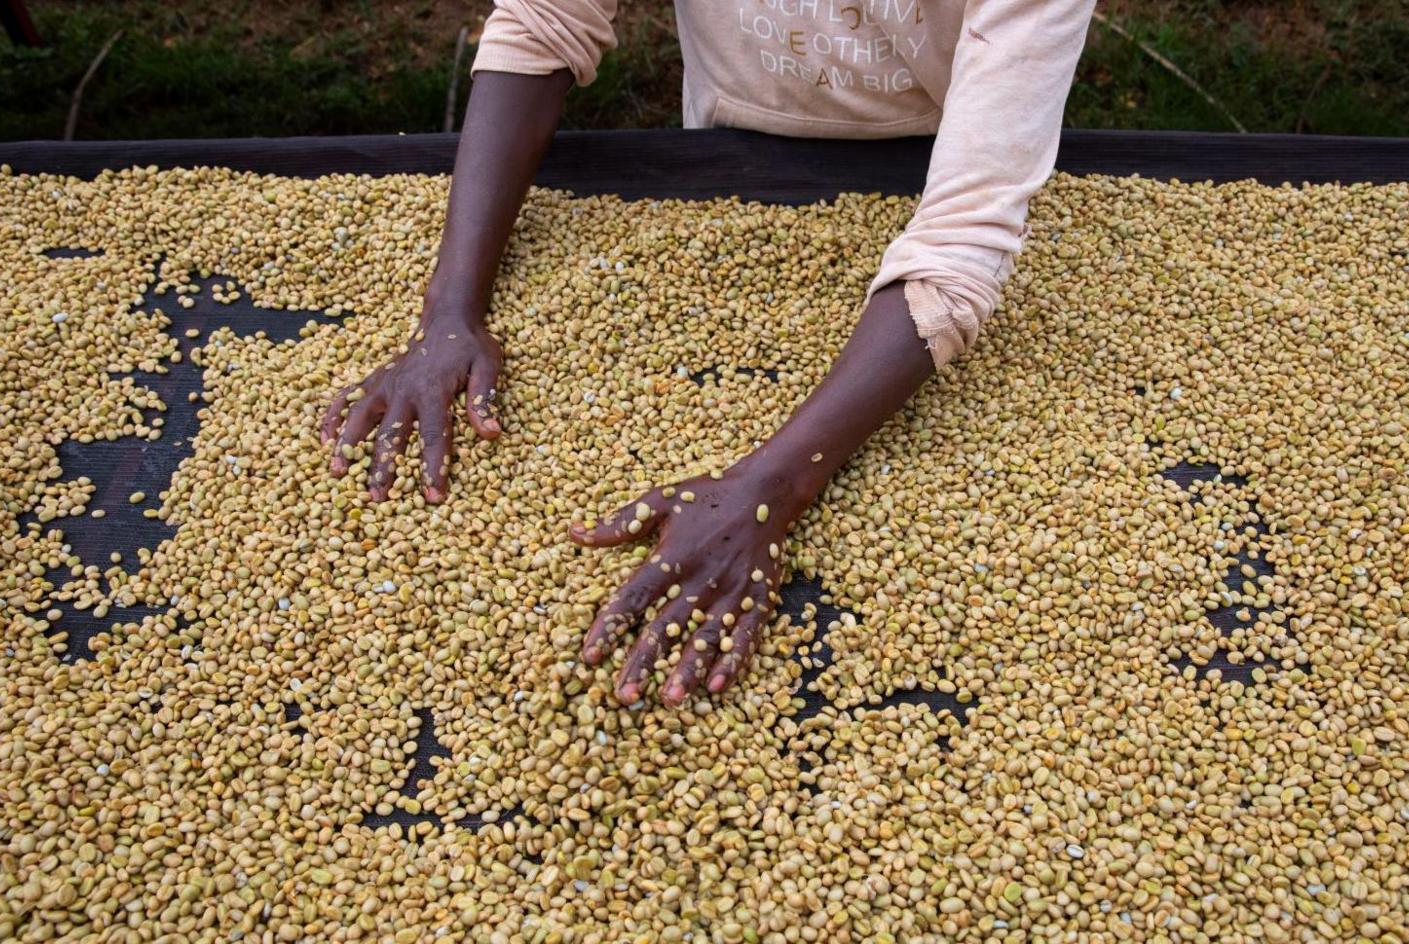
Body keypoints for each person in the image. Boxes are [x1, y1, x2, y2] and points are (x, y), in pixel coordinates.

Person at [319, 0, 1097, 707]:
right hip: (728, 154)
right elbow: (543, 19)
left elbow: (958, 247)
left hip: (940, 168)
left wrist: (769, 487)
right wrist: (450, 311)